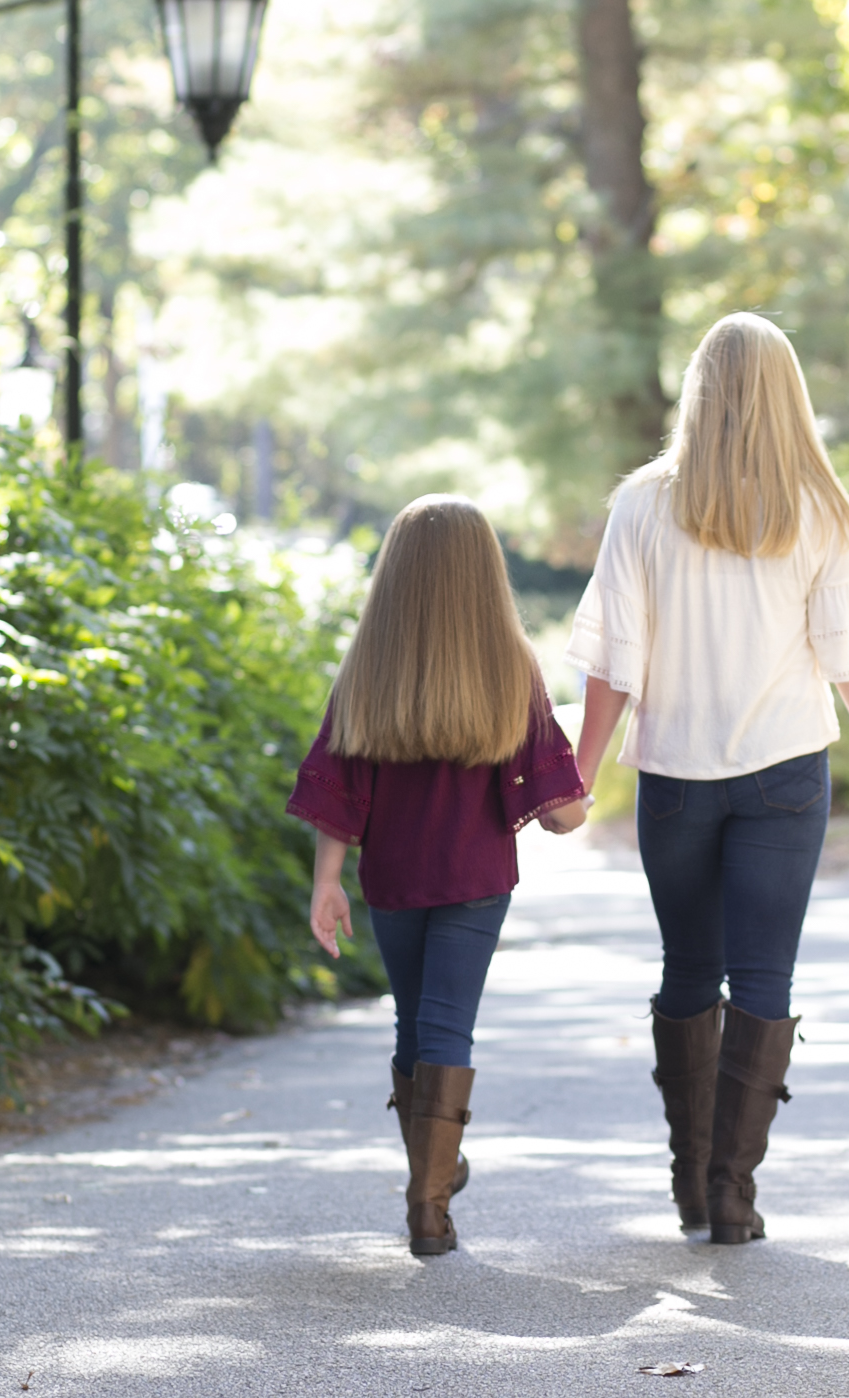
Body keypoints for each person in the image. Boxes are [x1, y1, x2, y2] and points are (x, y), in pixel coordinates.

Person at [566, 313, 849, 1245]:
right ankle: (732, 1193)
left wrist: (584, 769)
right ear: (786, 391)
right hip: (786, 774)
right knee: (765, 972)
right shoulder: (820, 509)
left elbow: (613, 662)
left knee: (688, 967)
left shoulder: (642, 503)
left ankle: (690, 1176)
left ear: (700, 388)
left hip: (675, 774)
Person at [287, 494, 588, 1258]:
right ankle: (429, 1204)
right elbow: (564, 812)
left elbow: (337, 782)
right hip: (477, 876)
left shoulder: (368, 666)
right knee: (448, 1026)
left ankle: (430, 1184)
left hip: (392, 874)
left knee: (412, 1024)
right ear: (486, 573)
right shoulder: (510, 666)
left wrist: (328, 881)